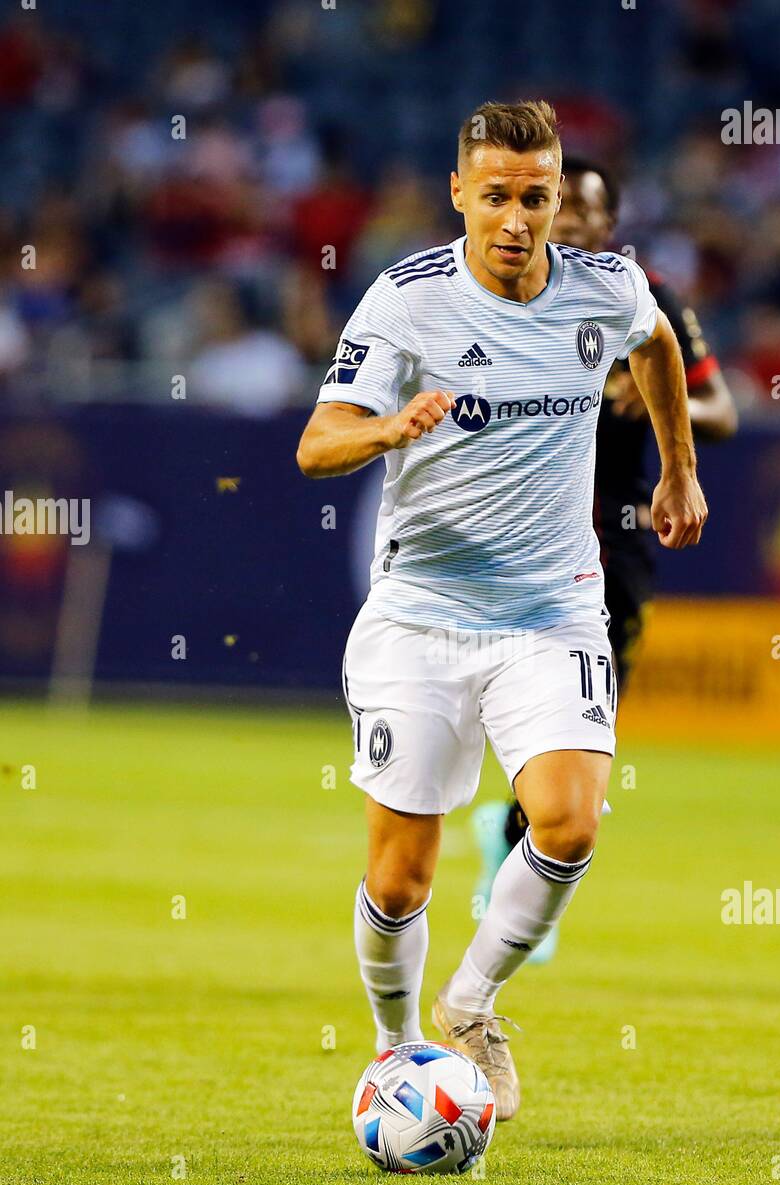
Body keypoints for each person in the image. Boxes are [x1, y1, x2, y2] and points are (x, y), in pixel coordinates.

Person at [296, 101, 707, 1122]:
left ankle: (471, 1003)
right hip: (421, 615)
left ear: (557, 195)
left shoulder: (605, 286)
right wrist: (390, 425)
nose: (518, 219)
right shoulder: (408, 302)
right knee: (399, 881)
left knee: (569, 820)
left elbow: (655, 346)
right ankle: (399, 1049)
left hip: (551, 610)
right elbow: (316, 443)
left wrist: (678, 473)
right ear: (459, 195)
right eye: (497, 198)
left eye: (536, 197)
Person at [472, 155, 738, 964]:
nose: (574, 226)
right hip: (511, 529)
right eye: (564, 210)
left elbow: (721, 410)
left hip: (610, 539)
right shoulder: (494, 288)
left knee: (589, 709)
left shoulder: (639, 299)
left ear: (608, 224)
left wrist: (664, 403)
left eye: (586, 214)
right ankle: (513, 829)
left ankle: (519, 843)